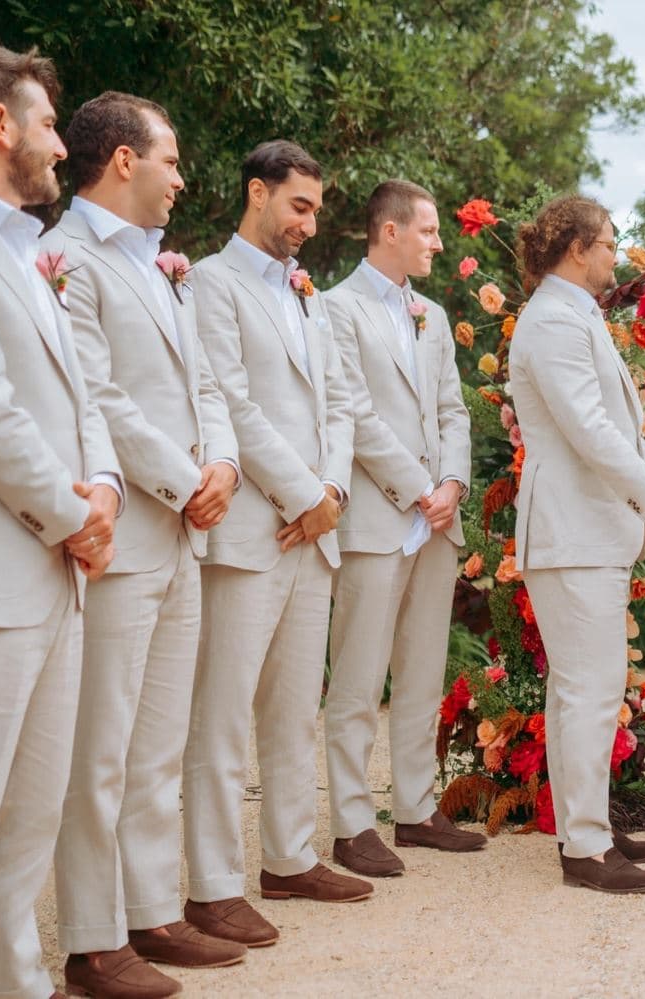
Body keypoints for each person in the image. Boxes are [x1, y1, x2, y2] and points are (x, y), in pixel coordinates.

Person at [46, 91, 246, 997]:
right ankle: (93, 943)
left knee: (159, 741)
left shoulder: (166, 268)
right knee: (103, 745)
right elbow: (97, 394)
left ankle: (153, 910)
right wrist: (184, 478)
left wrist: (226, 463)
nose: (180, 178)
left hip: (183, 535)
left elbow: (205, 383)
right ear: (124, 159)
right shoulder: (65, 257)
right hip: (123, 530)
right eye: (170, 159)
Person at [0, 39, 123, 998]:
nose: (61, 146)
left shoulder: (28, 251)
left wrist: (102, 487)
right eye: (51, 125)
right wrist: (72, 516)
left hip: (58, 574)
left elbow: (80, 396)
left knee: (24, 831)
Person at [181, 140, 366, 951]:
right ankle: (212, 886)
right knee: (222, 715)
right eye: (299, 205)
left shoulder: (306, 294)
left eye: (316, 209)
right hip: (251, 531)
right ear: (257, 192)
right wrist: (303, 495)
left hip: (313, 529)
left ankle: (290, 857)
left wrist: (333, 494)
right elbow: (229, 401)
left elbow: (339, 403)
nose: (309, 224)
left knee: (294, 711)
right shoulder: (209, 283)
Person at [509, 194, 645, 893]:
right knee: (587, 690)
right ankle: (585, 846)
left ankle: (588, 825)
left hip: (588, 531)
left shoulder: (576, 314)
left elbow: (624, 437)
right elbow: (592, 435)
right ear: (577, 248)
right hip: (571, 533)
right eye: (608, 243)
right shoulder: (552, 320)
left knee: (586, 689)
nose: (615, 255)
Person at [323, 179, 483, 878]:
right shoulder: (335, 309)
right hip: (376, 518)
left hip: (437, 523)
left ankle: (416, 809)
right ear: (390, 231)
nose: (437, 243)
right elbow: (354, 415)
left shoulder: (433, 316)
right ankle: (352, 823)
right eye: (428, 230)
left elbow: (453, 409)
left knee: (422, 672)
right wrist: (418, 488)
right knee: (358, 679)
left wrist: (452, 485)